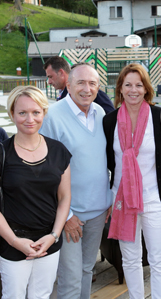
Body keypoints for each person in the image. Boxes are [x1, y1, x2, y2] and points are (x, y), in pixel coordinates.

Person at [0, 86, 71, 299]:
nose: (29, 119)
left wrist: (54, 235)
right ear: (12, 114)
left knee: (41, 295)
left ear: (44, 113)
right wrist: (13, 241)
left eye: (36, 112)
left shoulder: (59, 151)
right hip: (13, 240)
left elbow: (65, 196)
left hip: (49, 240)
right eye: (22, 113)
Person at [103, 64, 161, 299]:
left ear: (146, 89)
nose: (133, 90)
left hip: (156, 199)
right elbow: (110, 160)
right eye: (128, 85)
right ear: (120, 89)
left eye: (138, 85)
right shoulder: (110, 121)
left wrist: (159, 182)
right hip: (123, 200)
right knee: (130, 258)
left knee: (158, 260)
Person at [40, 63, 112, 299]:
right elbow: (46, 171)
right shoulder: (53, 116)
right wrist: (67, 214)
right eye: (80, 82)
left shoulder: (100, 113)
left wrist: (109, 199)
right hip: (70, 215)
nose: (86, 88)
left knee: (86, 270)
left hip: (98, 211)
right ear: (68, 85)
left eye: (92, 83)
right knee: (69, 278)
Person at [44, 56, 115, 114]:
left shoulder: (94, 94)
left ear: (61, 72)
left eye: (51, 77)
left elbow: (111, 117)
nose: (49, 82)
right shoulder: (63, 97)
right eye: (81, 82)